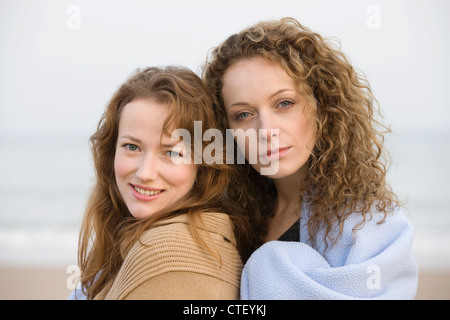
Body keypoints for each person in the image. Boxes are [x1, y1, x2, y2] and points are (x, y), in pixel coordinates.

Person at [202, 17, 418, 299]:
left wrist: (269, 266)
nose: (266, 131)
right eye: (243, 114)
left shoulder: (372, 222)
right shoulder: (232, 216)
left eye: (284, 103)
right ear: (226, 129)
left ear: (322, 106)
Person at [69, 66, 256, 300]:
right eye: (132, 147)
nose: (145, 173)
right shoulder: (134, 237)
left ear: (203, 164)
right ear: (111, 151)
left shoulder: (164, 252)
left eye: (172, 153)